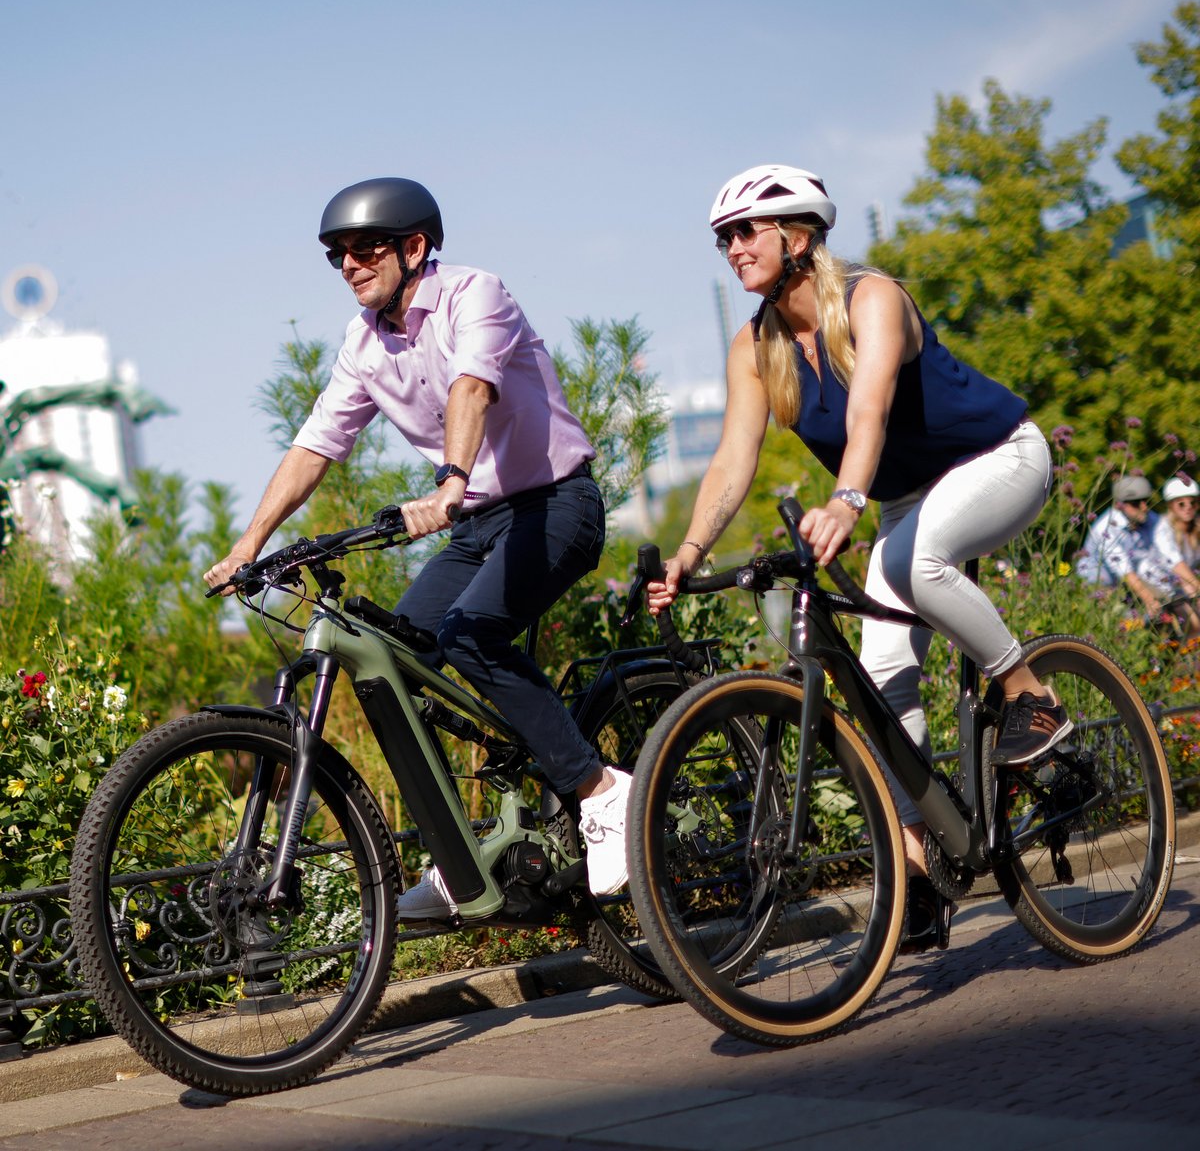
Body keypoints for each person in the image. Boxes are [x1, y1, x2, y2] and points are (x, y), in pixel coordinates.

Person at [647, 163, 1069, 949]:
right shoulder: (757, 346)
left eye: (745, 232)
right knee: (879, 677)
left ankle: (1031, 696)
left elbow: (868, 411)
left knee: (915, 559)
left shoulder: (873, 298)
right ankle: (921, 865)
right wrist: (689, 551)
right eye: (722, 238)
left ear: (797, 236)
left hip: (1001, 458)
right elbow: (733, 458)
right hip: (908, 501)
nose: (732, 248)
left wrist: (845, 501)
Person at [204, 177, 630, 918]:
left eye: (365, 249)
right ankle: (461, 855)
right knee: (394, 660)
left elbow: (472, 387)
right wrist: (249, 545)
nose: (349, 265)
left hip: (555, 505)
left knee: (470, 632)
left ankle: (601, 790)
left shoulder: (475, 294)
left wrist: (450, 481)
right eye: (337, 254)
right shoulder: (363, 342)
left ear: (414, 247)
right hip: (477, 524)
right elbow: (317, 442)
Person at [1076, 473, 1200, 633]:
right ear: (1119, 505)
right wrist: (1150, 600)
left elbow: (1172, 558)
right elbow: (1124, 571)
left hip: (1138, 576)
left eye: (1146, 500)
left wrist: (1196, 586)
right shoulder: (1106, 529)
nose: (1144, 507)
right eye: (1136, 503)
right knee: (1123, 624)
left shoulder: (1153, 520)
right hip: (1101, 583)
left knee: (1178, 601)